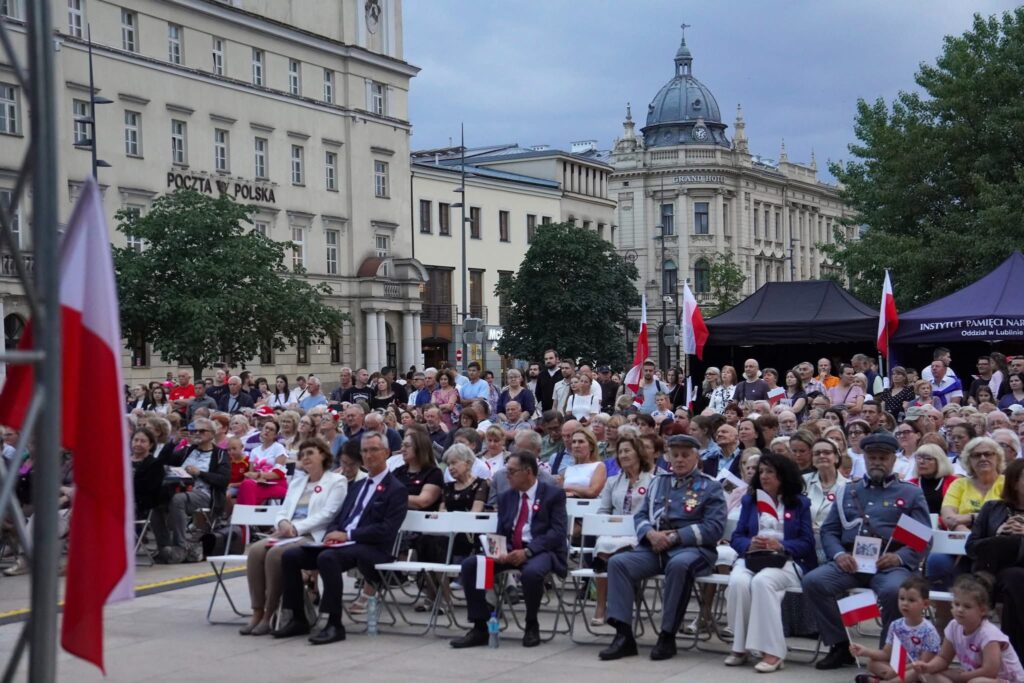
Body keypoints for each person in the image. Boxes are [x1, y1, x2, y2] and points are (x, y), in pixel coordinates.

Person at [801, 432, 931, 670]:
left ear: (893, 459)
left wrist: (899, 557)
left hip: (889, 564)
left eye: (883, 458)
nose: (877, 462)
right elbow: (829, 530)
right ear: (865, 459)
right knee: (813, 582)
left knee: (895, 592)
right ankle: (841, 645)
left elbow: (923, 537)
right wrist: (839, 555)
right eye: (872, 458)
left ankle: (885, 655)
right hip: (852, 562)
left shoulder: (910, 493)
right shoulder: (848, 490)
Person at [599, 434, 727, 662]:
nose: (679, 460)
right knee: (618, 563)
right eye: (675, 455)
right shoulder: (658, 482)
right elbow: (640, 515)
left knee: (679, 566)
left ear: (696, 458)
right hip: (655, 547)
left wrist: (676, 537)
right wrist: (650, 534)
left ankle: (667, 636)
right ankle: (623, 636)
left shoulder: (710, 486)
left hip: (692, 550)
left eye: (685, 455)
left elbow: (714, 528)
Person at [273, 432, 408, 644]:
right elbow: (339, 517)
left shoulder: (396, 489)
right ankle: (298, 618)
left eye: (374, 450)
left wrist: (348, 535)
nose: (368, 455)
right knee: (291, 556)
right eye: (364, 451)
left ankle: (334, 623)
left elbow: (386, 530)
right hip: (344, 544)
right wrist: (332, 534)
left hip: (373, 547)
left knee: (328, 558)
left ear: (387, 453)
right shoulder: (357, 486)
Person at [451, 451, 568, 649]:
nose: (507, 476)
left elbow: (557, 533)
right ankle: (480, 626)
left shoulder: (553, 495)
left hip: (540, 550)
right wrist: (498, 551)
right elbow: (502, 530)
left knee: (532, 573)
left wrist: (528, 552)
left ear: (528, 472)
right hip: (510, 549)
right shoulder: (506, 497)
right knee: (472, 565)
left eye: (512, 472)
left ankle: (531, 624)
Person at [240, 438, 347, 636]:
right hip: (287, 532)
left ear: (323, 455)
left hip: (311, 535)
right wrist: (282, 523)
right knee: (255, 551)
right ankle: (257, 611)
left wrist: (296, 528)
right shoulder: (298, 483)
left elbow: (328, 514)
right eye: (302, 454)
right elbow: (283, 510)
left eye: (310, 453)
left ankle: (270, 614)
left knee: (275, 554)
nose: (305, 458)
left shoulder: (336, 481)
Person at [724, 452, 816, 673]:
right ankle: (740, 647)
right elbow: (737, 537)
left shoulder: (799, 503)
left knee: (763, 582)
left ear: (783, 476)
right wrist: (750, 543)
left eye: (770, 472)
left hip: (787, 561)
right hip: (753, 557)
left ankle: (773, 652)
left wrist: (781, 545)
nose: (764, 476)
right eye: (761, 471)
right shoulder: (750, 501)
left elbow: (807, 542)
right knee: (738, 581)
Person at [589, 434, 655, 625]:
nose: (623, 455)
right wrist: (606, 526)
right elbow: (603, 511)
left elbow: (654, 513)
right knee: (604, 543)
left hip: (639, 534)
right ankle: (601, 605)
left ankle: (617, 602)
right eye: (620, 452)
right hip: (614, 532)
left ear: (638, 453)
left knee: (609, 551)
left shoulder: (653, 481)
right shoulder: (612, 482)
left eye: (627, 451)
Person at [911, 574, 1024, 683]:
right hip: (972, 676)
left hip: (1004, 679)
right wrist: (928, 667)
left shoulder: (989, 634)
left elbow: (990, 671)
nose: (960, 610)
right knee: (929, 675)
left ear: (982, 610)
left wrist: (960, 677)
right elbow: (944, 658)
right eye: (957, 604)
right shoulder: (953, 626)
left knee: (977, 682)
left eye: (967, 606)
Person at [966, 458, 1024, 657]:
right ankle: (1014, 657)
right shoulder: (992, 509)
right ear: (1014, 482)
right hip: (996, 569)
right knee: (1012, 574)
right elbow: (971, 547)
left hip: (1005, 573)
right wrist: (998, 534)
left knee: (1015, 577)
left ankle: (982, 598)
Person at [930, 436, 1006, 591]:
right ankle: (946, 607)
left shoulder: (1008, 483)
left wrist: (965, 519)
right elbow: (948, 518)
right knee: (936, 560)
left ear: (997, 458)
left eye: (988, 454)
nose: (983, 458)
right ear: (968, 460)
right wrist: (973, 527)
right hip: (960, 542)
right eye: (976, 455)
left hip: (997, 544)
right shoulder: (959, 484)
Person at [152, 418, 230, 564]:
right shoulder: (188, 450)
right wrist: (173, 442)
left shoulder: (220, 454)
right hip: (178, 489)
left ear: (212, 434)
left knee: (178, 500)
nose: (197, 433)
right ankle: (164, 547)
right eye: (194, 431)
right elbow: (162, 461)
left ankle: (180, 546)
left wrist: (200, 473)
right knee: (154, 501)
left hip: (204, 494)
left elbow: (223, 480)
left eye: (202, 431)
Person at [849, 575, 941, 683]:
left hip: (919, 670)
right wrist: (865, 651)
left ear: (925, 604)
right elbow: (886, 654)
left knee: (920, 673)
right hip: (900, 667)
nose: (905, 603)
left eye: (911, 600)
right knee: (873, 663)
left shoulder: (928, 631)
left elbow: (923, 664)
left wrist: (897, 670)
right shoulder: (896, 625)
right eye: (902, 598)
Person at [804, 438, 849, 564]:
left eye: (827, 452)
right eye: (817, 453)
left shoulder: (849, 487)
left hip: (835, 547)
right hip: (805, 543)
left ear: (836, 457)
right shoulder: (801, 482)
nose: (821, 456)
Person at [236, 418, 289, 506]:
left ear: (275, 435)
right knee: (246, 484)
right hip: (259, 482)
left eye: (271, 429)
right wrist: (256, 477)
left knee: (248, 486)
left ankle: (247, 513)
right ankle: (248, 512)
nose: (267, 431)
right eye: (266, 428)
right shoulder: (254, 451)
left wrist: (259, 475)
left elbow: (279, 473)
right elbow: (251, 472)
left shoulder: (279, 448)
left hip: (276, 483)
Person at [908, 444, 959, 517]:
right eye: (918, 458)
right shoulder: (910, 484)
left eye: (928, 458)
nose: (921, 461)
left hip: (946, 523)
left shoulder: (954, 483)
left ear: (939, 462)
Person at [562, 428, 607, 499]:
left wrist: (568, 488)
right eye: (574, 442)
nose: (576, 445)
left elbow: (592, 492)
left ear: (591, 446)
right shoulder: (569, 469)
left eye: (581, 442)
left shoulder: (598, 466)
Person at [131, 427, 165, 520]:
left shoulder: (155, 464)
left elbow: (147, 488)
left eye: (143, 441)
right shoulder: (123, 460)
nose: (138, 444)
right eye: (136, 440)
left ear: (150, 445)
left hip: (139, 503)